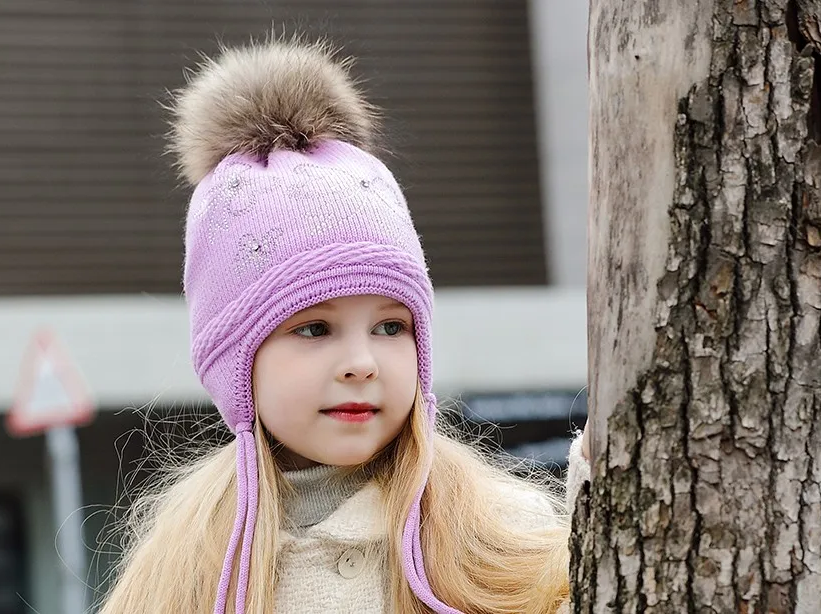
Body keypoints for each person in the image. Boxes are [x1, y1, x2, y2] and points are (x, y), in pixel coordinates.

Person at [97, 36, 582, 614]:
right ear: (234, 361)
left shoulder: (499, 534)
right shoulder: (187, 567)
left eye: (391, 327)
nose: (362, 363)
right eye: (314, 329)